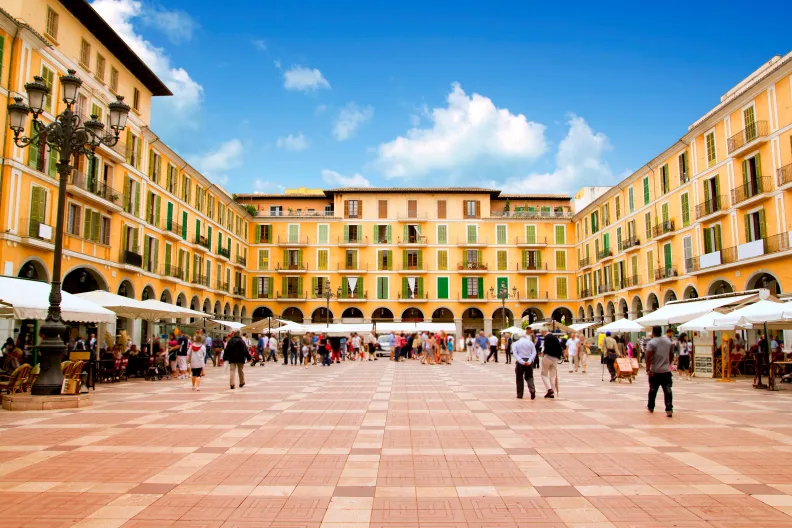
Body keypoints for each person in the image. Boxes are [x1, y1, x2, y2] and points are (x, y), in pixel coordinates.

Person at [646, 326, 674, 417]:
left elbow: (648, 357)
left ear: (653, 332)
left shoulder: (651, 343)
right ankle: (669, 409)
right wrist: (668, 363)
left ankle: (651, 406)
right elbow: (671, 354)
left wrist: (647, 368)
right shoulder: (668, 342)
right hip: (666, 371)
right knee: (668, 390)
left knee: (653, 390)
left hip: (655, 370)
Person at [512, 330, 537, 399]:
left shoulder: (516, 343)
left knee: (519, 377)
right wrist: (529, 361)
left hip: (520, 362)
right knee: (529, 376)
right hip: (529, 361)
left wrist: (521, 361)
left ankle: (520, 394)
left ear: (519, 336)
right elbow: (534, 352)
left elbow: (515, 353)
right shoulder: (530, 343)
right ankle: (532, 389)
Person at [540, 329, 562, 398]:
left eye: (541, 333)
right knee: (553, 376)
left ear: (544, 332)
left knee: (544, 374)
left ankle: (549, 389)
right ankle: (552, 392)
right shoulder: (555, 338)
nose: (542, 334)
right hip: (555, 359)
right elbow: (560, 348)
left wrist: (544, 352)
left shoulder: (547, 337)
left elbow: (547, 347)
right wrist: (558, 356)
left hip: (548, 357)